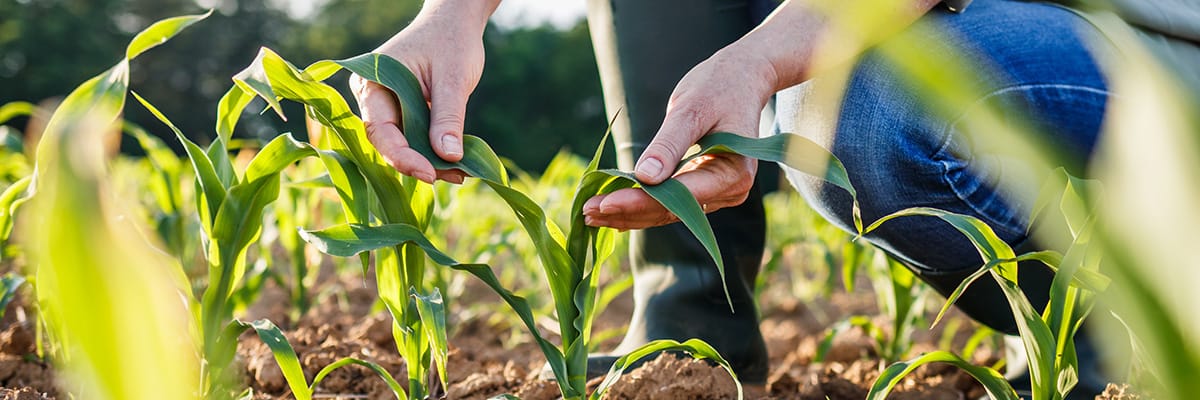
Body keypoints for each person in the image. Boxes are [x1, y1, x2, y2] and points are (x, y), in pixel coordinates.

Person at [352, 0, 1198, 398]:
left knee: (853, 107)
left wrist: (763, 59)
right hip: (1001, 19)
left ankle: (1134, 343)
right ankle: (691, 318)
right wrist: (452, 15)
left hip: (1159, 40)